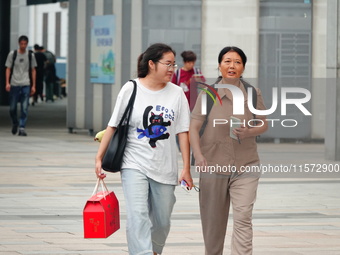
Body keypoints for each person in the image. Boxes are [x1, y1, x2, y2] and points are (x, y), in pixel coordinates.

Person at [95, 43, 193, 255]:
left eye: (173, 65)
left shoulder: (177, 94)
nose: (171, 69)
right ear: (151, 64)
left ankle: (154, 250)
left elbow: (183, 132)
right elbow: (113, 125)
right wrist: (98, 158)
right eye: (167, 64)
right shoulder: (131, 88)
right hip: (134, 163)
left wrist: (186, 167)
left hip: (165, 167)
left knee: (162, 220)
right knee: (137, 214)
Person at [190, 46, 268, 255]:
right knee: (213, 224)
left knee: (243, 217)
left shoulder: (253, 93)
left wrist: (249, 131)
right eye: (227, 61)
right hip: (212, 165)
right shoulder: (207, 94)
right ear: (219, 65)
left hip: (246, 164)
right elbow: (194, 127)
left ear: (243, 67)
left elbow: (264, 124)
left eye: (237, 62)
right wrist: (198, 156)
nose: (232, 65)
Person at [5, 35, 37, 136]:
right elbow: (8, 68)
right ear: (19, 44)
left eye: (25, 44)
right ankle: (15, 123)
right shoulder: (13, 54)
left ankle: (22, 127)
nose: (23, 46)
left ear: (27, 44)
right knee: (12, 108)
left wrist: (33, 85)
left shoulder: (30, 55)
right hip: (14, 83)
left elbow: (33, 70)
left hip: (25, 84)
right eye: (21, 44)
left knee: (24, 107)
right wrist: (7, 83)